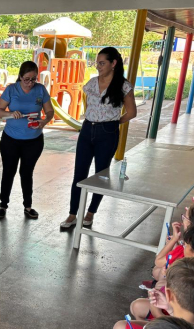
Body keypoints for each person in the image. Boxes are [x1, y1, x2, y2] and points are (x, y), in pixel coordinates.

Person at [61, 47, 137, 230]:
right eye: (97, 63)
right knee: (79, 174)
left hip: (108, 132)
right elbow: (89, 106)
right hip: (87, 129)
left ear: (114, 64)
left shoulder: (123, 86)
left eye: (102, 63)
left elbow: (132, 112)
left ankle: (90, 213)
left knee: (100, 176)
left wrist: (113, 122)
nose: (98, 67)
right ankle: (72, 214)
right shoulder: (92, 83)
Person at [129, 224, 194, 322]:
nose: (183, 245)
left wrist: (157, 311)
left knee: (135, 308)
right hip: (172, 314)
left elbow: (181, 326)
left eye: (186, 244)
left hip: (170, 325)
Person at [0, 60, 55, 220]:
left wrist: (44, 121)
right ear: (20, 76)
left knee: (26, 173)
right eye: (27, 79)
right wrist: (10, 114)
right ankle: (3, 205)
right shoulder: (11, 89)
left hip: (33, 140)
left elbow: (49, 111)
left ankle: (28, 206)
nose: (30, 83)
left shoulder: (40, 90)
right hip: (11, 139)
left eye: (33, 79)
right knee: (9, 171)